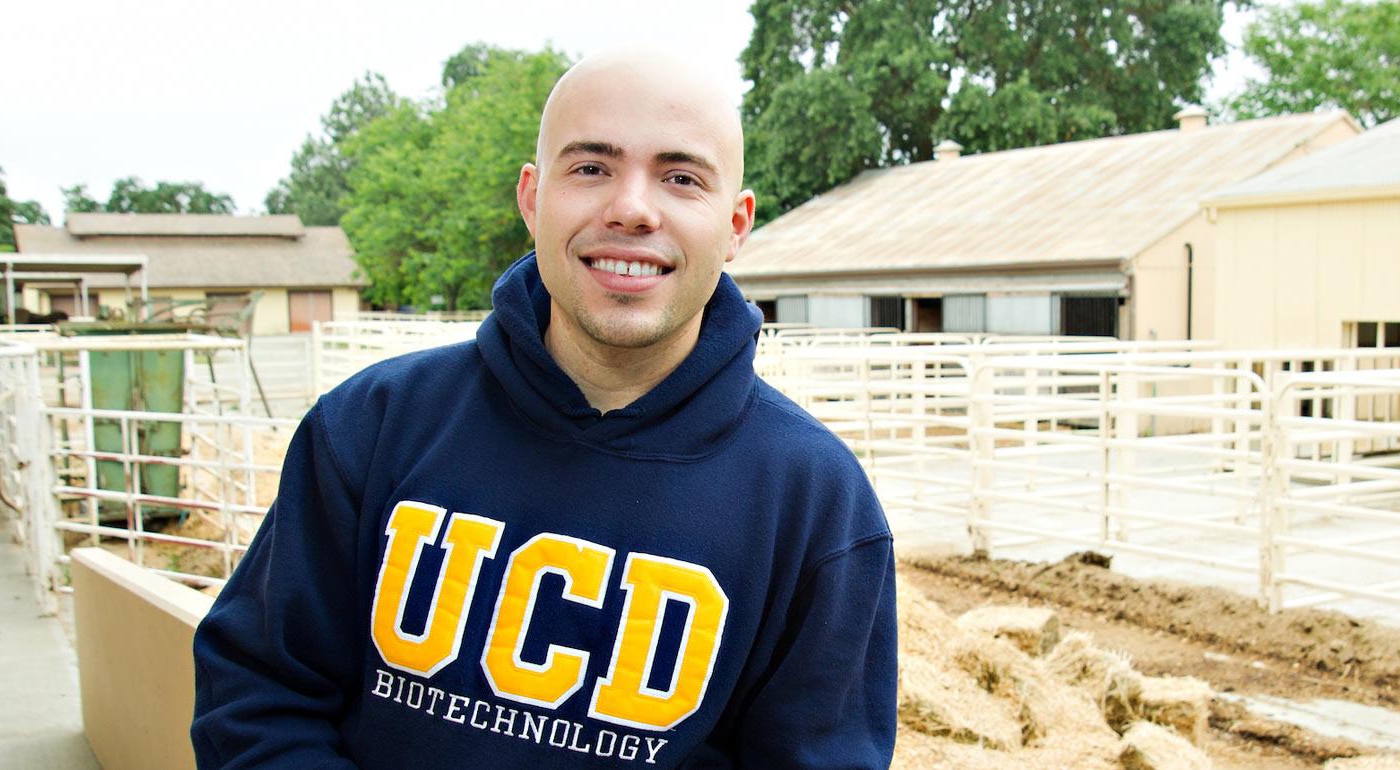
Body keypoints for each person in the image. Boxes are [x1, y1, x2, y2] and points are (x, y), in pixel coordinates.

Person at [190, 48, 898, 769]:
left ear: (736, 224)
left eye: (681, 177)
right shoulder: (372, 426)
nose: (630, 208)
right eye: (591, 168)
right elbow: (257, 698)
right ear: (532, 198)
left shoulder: (817, 503)